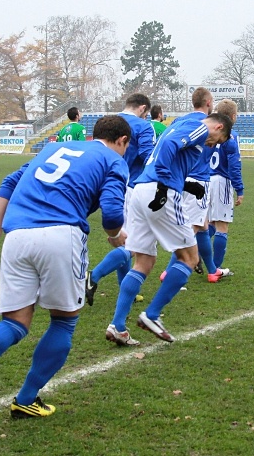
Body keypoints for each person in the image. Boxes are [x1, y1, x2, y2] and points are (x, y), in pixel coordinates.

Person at [0, 115, 132, 419]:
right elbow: (111, 214)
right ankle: (26, 398)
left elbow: (9, 182)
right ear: (122, 142)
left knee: (15, 323)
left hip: (16, 236)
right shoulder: (114, 160)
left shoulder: (52, 149)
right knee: (64, 323)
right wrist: (116, 236)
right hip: (60, 236)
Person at [105, 112, 232, 346]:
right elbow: (171, 148)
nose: (214, 145)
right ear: (219, 127)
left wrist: (188, 187)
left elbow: (167, 156)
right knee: (189, 258)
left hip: (141, 189)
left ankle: (118, 326)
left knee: (143, 262)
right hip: (158, 190)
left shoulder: (181, 125)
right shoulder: (201, 129)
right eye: (219, 140)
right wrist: (164, 183)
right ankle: (151, 315)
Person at [85, 93, 155, 304]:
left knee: (124, 239)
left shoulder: (110, 123)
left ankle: (127, 290)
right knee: (132, 245)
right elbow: (149, 156)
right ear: (143, 108)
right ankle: (92, 277)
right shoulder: (143, 126)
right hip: (134, 187)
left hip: (111, 186)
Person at [159, 88, 231, 283]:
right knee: (190, 230)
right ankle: (169, 273)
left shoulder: (180, 121)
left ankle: (212, 270)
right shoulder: (206, 126)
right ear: (208, 102)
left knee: (203, 227)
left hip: (180, 180)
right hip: (199, 180)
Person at [207, 99, 245, 269]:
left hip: (205, 180)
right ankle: (215, 268)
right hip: (222, 181)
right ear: (233, 116)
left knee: (207, 225)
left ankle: (191, 257)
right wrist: (240, 188)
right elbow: (234, 165)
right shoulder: (231, 135)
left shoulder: (209, 132)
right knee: (222, 225)